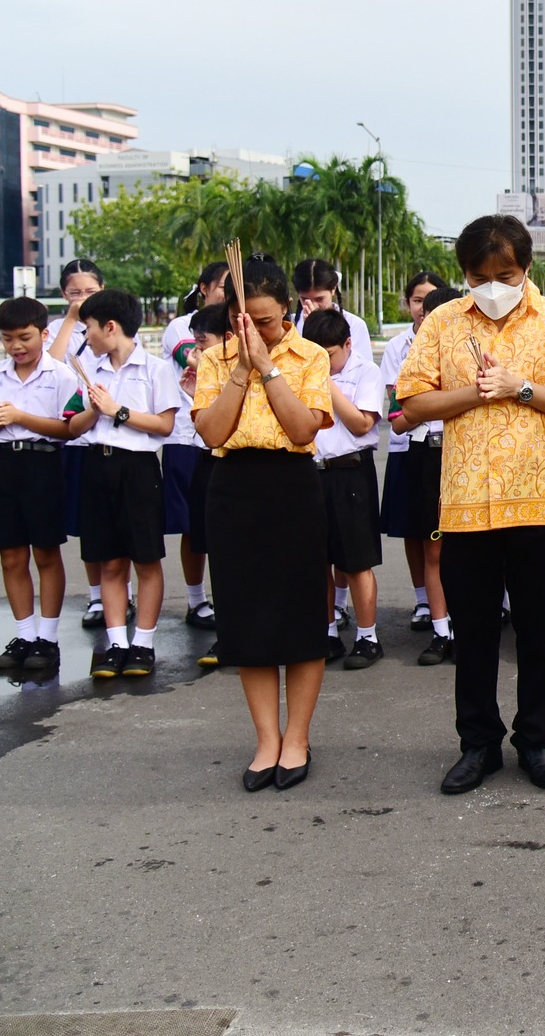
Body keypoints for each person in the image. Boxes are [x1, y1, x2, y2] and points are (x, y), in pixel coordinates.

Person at [396, 215, 545, 795]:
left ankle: (536, 740)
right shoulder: (442, 322)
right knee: (474, 634)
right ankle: (478, 744)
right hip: (466, 503)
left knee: (537, 632)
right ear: (464, 273)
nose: (491, 287)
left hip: (539, 501)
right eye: (478, 276)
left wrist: (520, 388)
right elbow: (412, 401)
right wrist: (475, 393)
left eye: (504, 275)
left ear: (526, 268)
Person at [194, 257, 335, 792]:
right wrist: (240, 369)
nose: (256, 330)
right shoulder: (214, 359)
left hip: (293, 486)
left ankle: (297, 737)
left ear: (287, 311)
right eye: (244, 321)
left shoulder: (309, 355)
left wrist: (268, 368)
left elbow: (302, 430)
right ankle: (266, 739)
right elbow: (212, 432)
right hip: (233, 488)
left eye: (267, 321)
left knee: (301, 617)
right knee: (245, 618)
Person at [63, 288, 182, 679]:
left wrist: (118, 411)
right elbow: (74, 426)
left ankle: (143, 643)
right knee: (109, 560)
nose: (87, 338)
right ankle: (116, 643)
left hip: (138, 468)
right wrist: (95, 410)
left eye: (89, 329)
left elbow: (164, 425)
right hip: (97, 464)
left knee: (146, 559)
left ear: (110, 327)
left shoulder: (155, 369)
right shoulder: (90, 369)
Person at [0, 297, 80, 676]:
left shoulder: (61, 375)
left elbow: (68, 430)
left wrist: (19, 417)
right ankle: (24, 635)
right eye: (7, 339)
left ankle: (48, 638)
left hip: (43, 464)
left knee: (46, 553)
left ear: (44, 334)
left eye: (24, 337)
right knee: (11, 556)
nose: (16, 346)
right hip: (2, 465)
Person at [305, 307, 388, 670]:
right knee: (317, 559)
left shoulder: (366, 372)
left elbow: (361, 424)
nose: (323, 362)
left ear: (348, 344)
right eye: (315, 354)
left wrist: (325, 384)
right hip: (312, 472)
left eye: (329, 354)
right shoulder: (301, 374)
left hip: (350, 471)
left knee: (356, 561)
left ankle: (368, 637)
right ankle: (326, 632)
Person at [161, 262, 228, 634]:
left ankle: (232, 602)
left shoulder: (242, 329)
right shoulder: (183, 326)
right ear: (203, 288)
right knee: (192, 525)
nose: (227, 293)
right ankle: (195, 599)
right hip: (187, 438)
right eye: (222, 286)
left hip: (228, 443)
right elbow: (193, 359)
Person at [46, 258, 112, 631]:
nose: (83, 298)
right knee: (87, 523)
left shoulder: (114, 323)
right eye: (75, 292)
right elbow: (50, 368)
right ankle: (96, 596)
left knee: (113, 521)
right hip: (74, 438)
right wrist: (72, 320)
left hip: (111, 435)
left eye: (90, 291)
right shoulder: (58, 329)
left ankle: (122, 594)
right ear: (63, 294)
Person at [381, 273, 446, 632]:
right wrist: (440, 404)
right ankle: (426, 602)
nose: (424, 309)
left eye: (431, 300)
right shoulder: (400, 349)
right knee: (416, 530)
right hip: (413, 448)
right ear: (409, 303)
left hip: (454, 451)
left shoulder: (465, 347)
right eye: (418, 301)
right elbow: (399, 414)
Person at [184, 303, 232, 668]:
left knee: (236, 553)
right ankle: (226, 632)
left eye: (203, 342)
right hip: (207, 460)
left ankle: (240, 633)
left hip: (235, 465)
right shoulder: (205, 372)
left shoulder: (244, 370)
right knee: (213, 546)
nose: (195, 351)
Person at [293, 257, 373, 367]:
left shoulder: (354, 325)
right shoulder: (290, 325)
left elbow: (364, 369)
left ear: (333, 289)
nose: (313, 306)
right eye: (305, 299)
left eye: (319, 299)